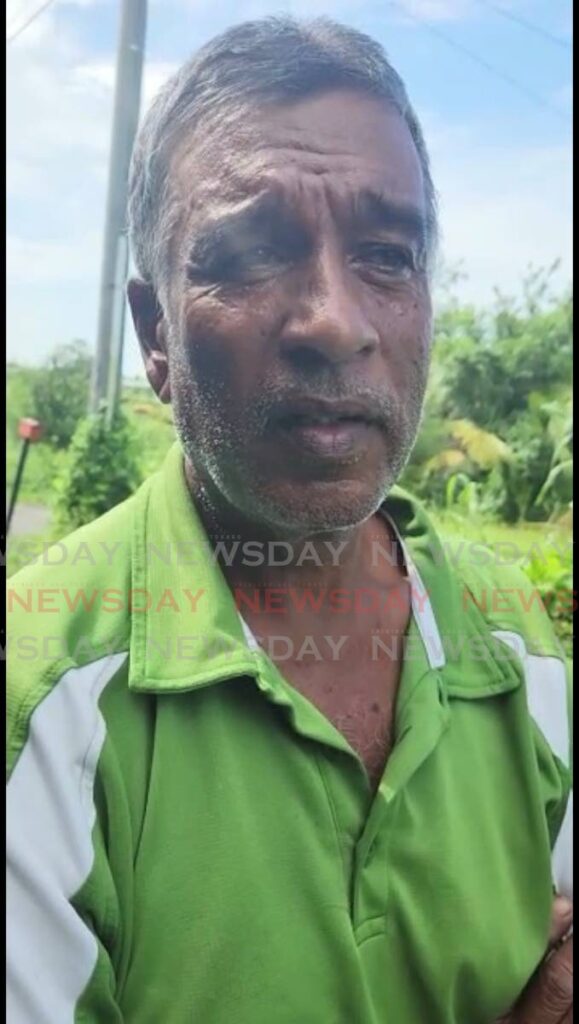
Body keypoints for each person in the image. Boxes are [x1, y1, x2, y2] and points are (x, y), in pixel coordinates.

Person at [7, 17, 572, 1023]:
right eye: (255, 254)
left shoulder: (514, 636)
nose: (334, 322)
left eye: (387, 255)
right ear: (157, 334)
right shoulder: (39, 696)